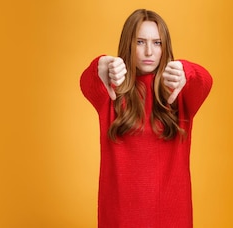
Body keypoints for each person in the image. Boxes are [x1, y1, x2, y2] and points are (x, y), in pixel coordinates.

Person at [80, 9, 213, 228]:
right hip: (120, 219)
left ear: (165, 47)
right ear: (127, 45)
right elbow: (88, 82)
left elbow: (205, 81)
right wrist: (100, 64)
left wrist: (185, 70)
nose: (149, 51)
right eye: (140, 42)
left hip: (172, 219)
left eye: (157, 43)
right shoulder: (112, 92)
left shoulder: (178, 92)